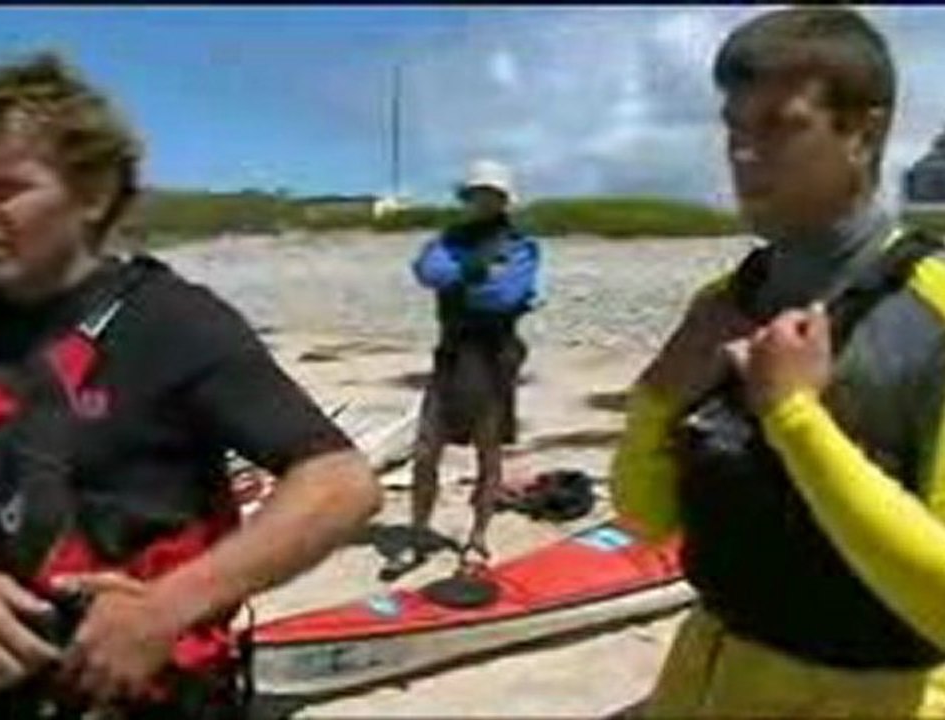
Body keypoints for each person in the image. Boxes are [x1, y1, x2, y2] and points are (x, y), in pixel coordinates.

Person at [0, 52, 381, 718]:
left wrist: (170, 607)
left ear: (93, 193)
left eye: (5, 188)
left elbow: (340, 482)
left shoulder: (169, 321)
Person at [611, 7, 945, 718]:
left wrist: (794, 416)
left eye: (778, 126)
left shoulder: (933, 315)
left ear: (864, 131)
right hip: (707, 677)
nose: (744, 154)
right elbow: (645, 521)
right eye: (735, 130)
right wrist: (658, 394)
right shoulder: (724, 302)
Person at [384, 160, 542, 579]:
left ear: (503, 200)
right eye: (476, 193)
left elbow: (505, 295)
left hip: (493, 357)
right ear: (467, 198)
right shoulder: (449, 239)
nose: (482, 200)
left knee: (488, 453)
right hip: (451, 356)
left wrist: (460, 280)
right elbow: (426, 271)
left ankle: (477, 538)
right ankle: (417, 534)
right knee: (424, 451)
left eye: (491, 194)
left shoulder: (521, 245)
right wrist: (474, 272)